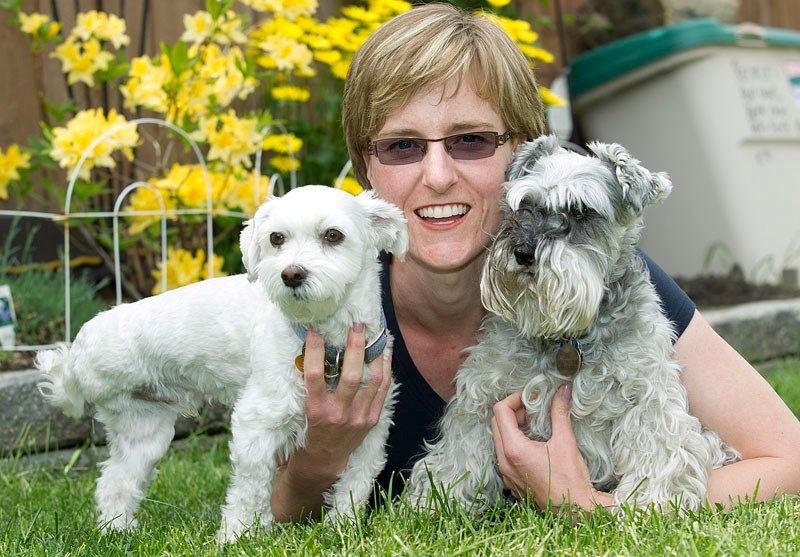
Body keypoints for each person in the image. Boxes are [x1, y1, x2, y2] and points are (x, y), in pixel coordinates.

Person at [269, 3, 800, 520]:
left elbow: (787, 459)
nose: (436, 176)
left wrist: (596, 509)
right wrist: (318, 459)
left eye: (471, 140)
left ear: (525, 151)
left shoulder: (613, 279)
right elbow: (269, 512)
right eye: (402, 146)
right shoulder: (321, 295)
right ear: (366, 165)